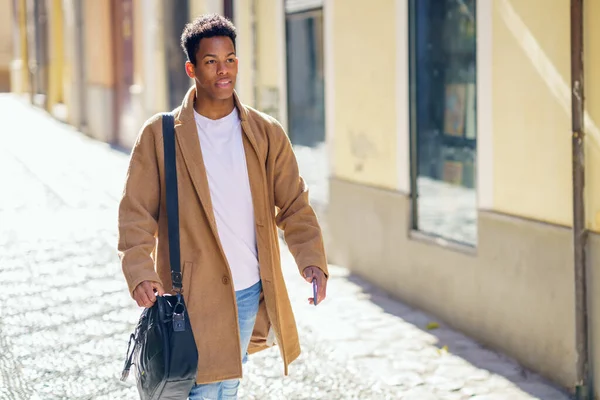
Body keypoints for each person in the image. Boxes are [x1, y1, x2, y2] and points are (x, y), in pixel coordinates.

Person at [117, 13, 328, 400]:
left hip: (248, 287)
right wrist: (140, 270)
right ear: (192, 68)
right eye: (211, 61)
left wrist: (311, 258)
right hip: (189, 290)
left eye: (230, 59)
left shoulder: (265, 133)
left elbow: (294, 204)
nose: (223, 70)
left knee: (227, 382)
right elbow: (136, 212)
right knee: (200, 388)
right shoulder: (160, 135)